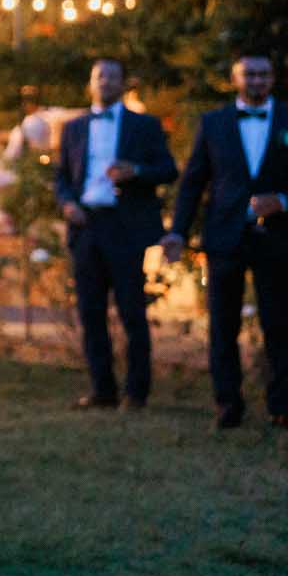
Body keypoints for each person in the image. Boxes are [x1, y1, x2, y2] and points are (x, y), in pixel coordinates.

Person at [164, 54, 288, 433]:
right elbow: (193, 181)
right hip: (225, 237)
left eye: (263, 73)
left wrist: (285, 201)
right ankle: (227, 404)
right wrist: (178, 229)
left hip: (274, 238)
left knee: (279, 323)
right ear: (235, 78)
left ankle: (281, 406)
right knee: (223, 325)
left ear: (272, 78)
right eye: (249, 74)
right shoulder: (214, 123)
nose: (256, 80)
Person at [54, 58, 179, 410]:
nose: (105, 82)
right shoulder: (74, 127)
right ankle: (102, 389)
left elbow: (168, 170)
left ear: (123, 84)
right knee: (90, 312)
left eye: (112, 76)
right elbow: (61, 176)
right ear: (90, 83)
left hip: (124, 227)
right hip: (86, 225)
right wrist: (66, 204)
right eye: (99, 76)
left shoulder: (144, 125)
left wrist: (135, 171)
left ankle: (137, 392)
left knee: (131, 311)